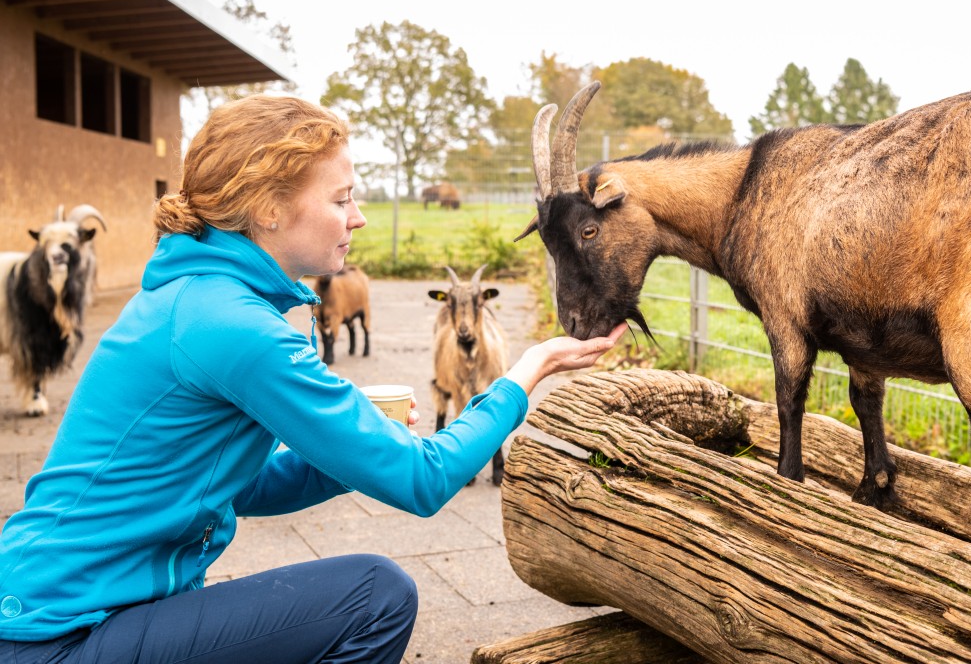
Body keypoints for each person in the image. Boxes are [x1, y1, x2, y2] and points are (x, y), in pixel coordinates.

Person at [0, 94, 624, 663]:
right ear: (269, 208)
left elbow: (243, 487)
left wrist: (340, 456)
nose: (358, 218)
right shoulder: (232, 324)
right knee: (375, 596)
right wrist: (526, 370)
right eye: (341, 197)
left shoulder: (202, 298)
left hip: (77, 613)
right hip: (58, 636)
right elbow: (424, 479)